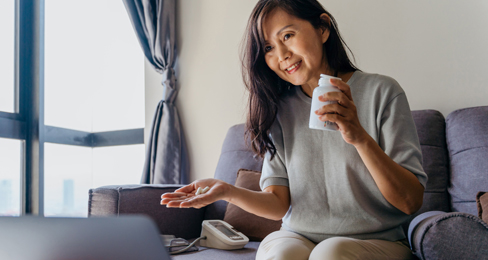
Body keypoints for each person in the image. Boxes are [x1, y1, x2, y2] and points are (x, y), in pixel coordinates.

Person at [161, 0, 427, 259]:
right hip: (297, 235)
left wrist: (359, 137)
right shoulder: (279, 110)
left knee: (330, 253)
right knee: (283, 254)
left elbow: (409, 201)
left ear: (323, 28)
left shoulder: (383, 92)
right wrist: (226, 191)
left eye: (287, 35)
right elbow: (278, 204)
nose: (281, 55)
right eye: (268, 47)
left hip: (377, 240)